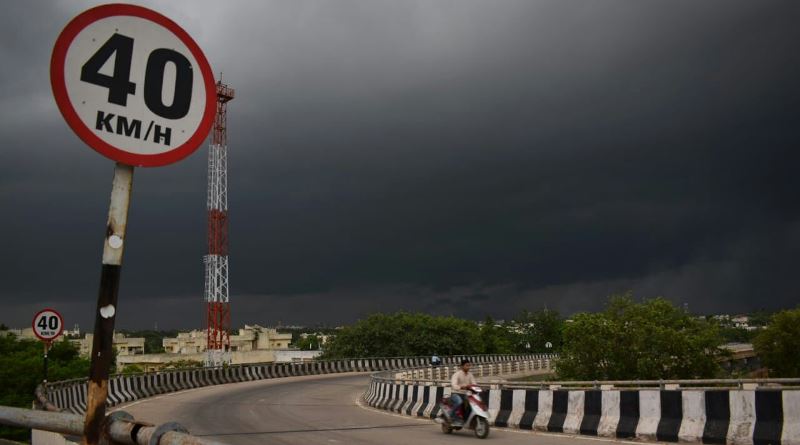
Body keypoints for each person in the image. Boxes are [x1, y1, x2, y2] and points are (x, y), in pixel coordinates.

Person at [449, 359, 477, 426]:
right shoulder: (457, 374)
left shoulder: (470, 375)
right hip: (456, 393)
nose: (468, 367)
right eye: (466, 365)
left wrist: (477, 388)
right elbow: (454, 385)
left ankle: (466, 419)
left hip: (466, 394)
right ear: (462, 366)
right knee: (459, 402)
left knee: (473, 404)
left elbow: (474, 384)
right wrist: (462, 387)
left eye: (469, 365)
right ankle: (451, 416)